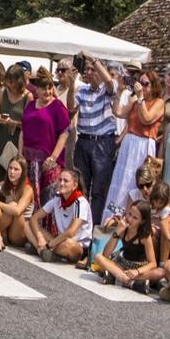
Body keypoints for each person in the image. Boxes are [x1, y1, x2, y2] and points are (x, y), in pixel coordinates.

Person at [105, 69, 163, 224]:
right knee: (121, 184)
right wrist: (119, 91)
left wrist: (140, 99)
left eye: (146, 84)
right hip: (129, 143)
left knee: (136, 183)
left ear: (154, 86)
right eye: (140, 83)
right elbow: (118, 112)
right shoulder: (135, 99)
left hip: (143, 144)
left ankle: (133, 221)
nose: (142, 86)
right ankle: (114, 219)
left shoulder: (158, 102)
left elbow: (146, 119)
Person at [71, 56, 120, 222]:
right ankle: (79, 225)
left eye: (93, 70)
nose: (90, 73)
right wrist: (72, 85)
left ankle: (93, 228)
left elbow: (110, 83)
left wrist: (94, 60)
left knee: (98, 190)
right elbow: (71, 107)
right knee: (80, 186)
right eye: (88, 71)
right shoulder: (82, 90)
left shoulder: (106, 89)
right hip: (84, 140)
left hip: (102, 142)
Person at [20, 71, 72, 196]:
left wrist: (53, 158)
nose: (47, 92)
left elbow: (64, 133)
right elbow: (23, 130)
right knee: (29, 196)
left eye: (49, 88)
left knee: (49, 198)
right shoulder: (31, 105)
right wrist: (19, 153)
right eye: (44, 89)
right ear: (37, 89)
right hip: (28, 159)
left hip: (48, 161)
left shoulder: (58, 107)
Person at [92, 199, 159, 290]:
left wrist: (137, 271)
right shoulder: (123, 228)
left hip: (139, 268)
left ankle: (115, 276)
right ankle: (128, 281)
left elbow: (153, 263)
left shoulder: (144, 235)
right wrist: (117, 232)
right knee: (98, 257)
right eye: (129, 214)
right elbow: (106, 254)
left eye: (135, 218)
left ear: (142, 221)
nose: (130, 219)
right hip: (122, 264)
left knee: (160, 272)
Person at [30, 168, 91, 264]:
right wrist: (40, 238)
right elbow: (34, 218)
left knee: (68, 244)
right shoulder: (57, 198)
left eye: (66, 181)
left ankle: (41, 250)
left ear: (74, 185)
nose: (61, 183)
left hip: (77, 246)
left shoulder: (81, 202)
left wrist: (49, 245)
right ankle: (42, 249)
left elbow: (71, 232)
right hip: (59, 241)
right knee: (27, 224)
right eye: (60, 180)